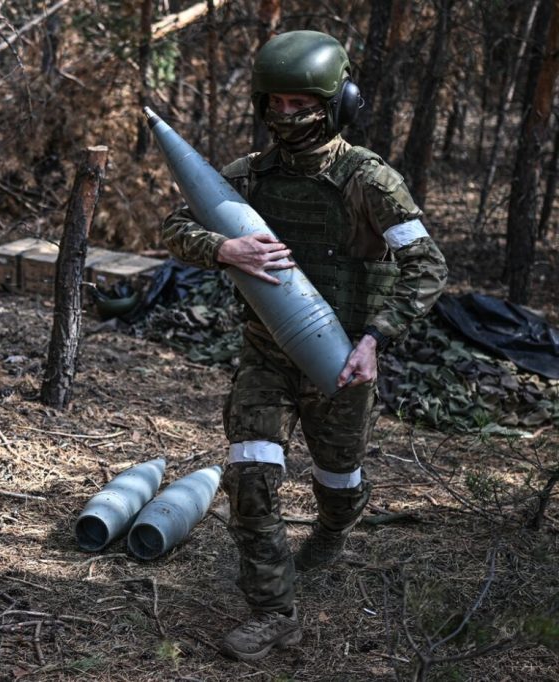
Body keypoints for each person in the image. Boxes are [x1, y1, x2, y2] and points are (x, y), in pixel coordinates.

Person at [161, 30, 448, 661]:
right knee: (251, 476)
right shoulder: (250, 178)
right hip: (266, 356)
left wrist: (376, 338)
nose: (286, 117)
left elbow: (426, 267)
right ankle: (275, 614)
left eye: (301, 103)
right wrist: (222, 247)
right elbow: (175, 224)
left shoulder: (369, 181)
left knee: (337, 478)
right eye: (276, 104)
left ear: (338, 101)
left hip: (344, 363)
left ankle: (336, 526)